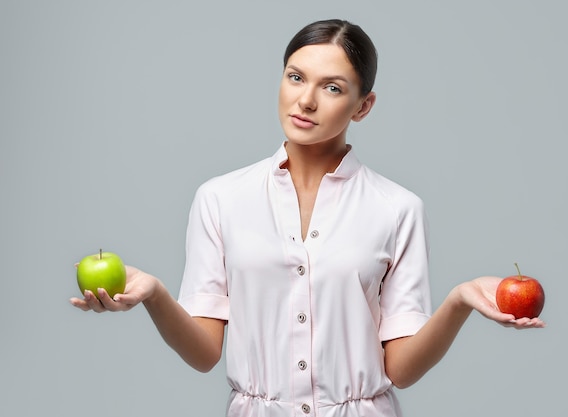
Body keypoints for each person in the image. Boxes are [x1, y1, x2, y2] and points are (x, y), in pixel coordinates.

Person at [70, 19, 544, 417]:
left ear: (363, 106)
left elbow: (401, 368)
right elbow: (203, 353)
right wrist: (154, 294)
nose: (306, 100)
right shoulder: (219, 198)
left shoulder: (398, 208)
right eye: (296, 77)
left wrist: (459, 301)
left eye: (332, 87)